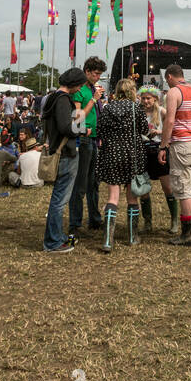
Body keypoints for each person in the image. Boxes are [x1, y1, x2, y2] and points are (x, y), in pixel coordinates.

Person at [159, 64, 191, 247]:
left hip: (182, 144)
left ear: (169, 77)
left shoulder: (174, 93)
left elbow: (170, 120)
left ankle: (187, 234)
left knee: (183, 189)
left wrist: (164, 146)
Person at [96, 78, 148, 252]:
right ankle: (133, 237)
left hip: (112, 154)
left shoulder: (108, 107)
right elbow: (144, 130)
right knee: (132, 197)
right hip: (132, 155)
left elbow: (100, 130)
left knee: (112, 197)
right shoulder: (136, 108)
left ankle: (107, 241)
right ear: (132, 91)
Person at [41, 68, 86, 252]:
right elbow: (65, 128)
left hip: (56, 150)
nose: (80, 89)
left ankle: (57, 236)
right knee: (59, 200)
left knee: (59, 198)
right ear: (75, 84)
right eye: (80, 85)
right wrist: (82, 128)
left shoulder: (52, 97)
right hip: (65, 154)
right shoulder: (62, 100)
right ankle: (53, 242)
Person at [68, 57, 107, 236]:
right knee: (81, 184)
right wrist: (93, 99)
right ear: (87, 71)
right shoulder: (79, 91)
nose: (98, 77)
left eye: (100, 74)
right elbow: (77, 119)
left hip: (94, 140)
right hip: (84, 141)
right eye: (96, 73)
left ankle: (94, 218)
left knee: (94, 183)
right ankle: (75, 223)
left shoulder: (92, 89)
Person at [139, 85, 178, 233]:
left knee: (167, 187)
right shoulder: (139, 112)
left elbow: (172, 127)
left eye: (148, 98)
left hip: (159, 151)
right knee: (143, 189)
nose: (145, 101)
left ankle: (174, 221)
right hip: (143, 151)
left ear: (155, 99)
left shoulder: (161, 111)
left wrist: (159, 131)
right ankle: (147, 222)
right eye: (143, 98)